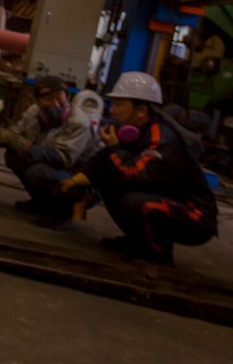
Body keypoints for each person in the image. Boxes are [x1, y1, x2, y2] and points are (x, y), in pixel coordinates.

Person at [61, 72, 218, 264]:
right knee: (110, 181)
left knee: (134, 201)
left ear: (141, 110)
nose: (112, 111)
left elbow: (133, 175)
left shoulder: (162, 139)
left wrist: (113, 148)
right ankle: (137, 241)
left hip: (196, 217)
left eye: (119, 105)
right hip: (168, 201)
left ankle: (158, 252)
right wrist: (77, 179)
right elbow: (103, 162)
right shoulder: (133, 130)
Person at [0, 76, 100, 226]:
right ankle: (41, 204)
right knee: (13, 156)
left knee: (36, 171)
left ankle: (62, 213)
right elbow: (13, 134)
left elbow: (63, 158)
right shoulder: (33, 113)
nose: (55, 104)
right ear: (37, 102)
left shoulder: (79, 122)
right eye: (48, 99)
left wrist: (20, 144)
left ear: (67, 97)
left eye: (59, 98)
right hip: (57, 170)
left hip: (81, 180)